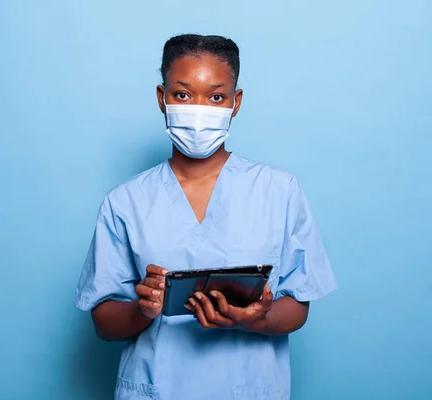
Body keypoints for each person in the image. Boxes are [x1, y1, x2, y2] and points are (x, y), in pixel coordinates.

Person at [75, 34, 337, 400]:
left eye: (216, 97)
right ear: (162, 98)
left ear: (236, 102)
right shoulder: (126, 201)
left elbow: (298, 305)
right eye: (183, 94)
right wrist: (143, 309)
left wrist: (256, 318)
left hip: (246, 388)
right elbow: (104, 321)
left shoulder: (278, 190)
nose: (199, 108)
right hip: (158, 387)